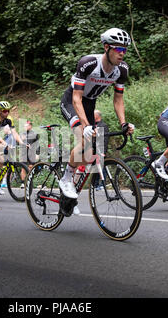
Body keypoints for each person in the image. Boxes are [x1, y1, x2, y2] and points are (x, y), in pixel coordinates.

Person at [58, 28, 134, 210]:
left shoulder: (121, 70)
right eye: (119, 49)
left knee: (90, 154)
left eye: (125, 50)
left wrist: (124, 123)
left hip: (90, 105)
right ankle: (66, 178)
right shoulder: (88, 63)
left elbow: (118, 100)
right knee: (84, 140)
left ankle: (68, 197)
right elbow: (77, 98)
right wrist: (85, 125)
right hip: (71, 102)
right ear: (106, 47)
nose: (122, 54)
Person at [20, 120, 40, 186]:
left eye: (27, 125)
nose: (25, 127)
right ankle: (23, 183)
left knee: (31, 167)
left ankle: (29, 181)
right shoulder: (22, 134)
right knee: (23, 167)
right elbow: (18, 143)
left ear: (30, 126)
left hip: (31, 153)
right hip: (24, 153)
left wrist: (37, 153)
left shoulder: (35, 134)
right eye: (24, 125)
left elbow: (37, 144)